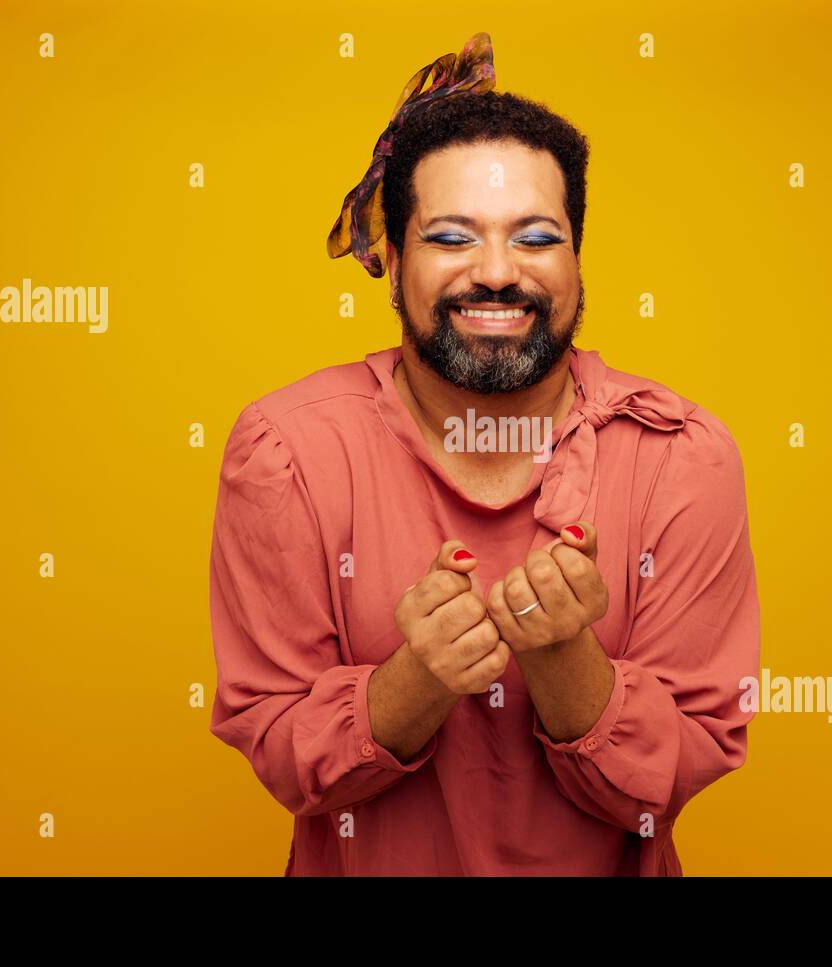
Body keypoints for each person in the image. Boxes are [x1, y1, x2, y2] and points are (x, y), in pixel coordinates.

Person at [208, 31, 760, 875]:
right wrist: (416, 679)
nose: (498, 273)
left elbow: (666, 783)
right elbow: (285, 754)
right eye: (452, 238)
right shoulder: (287, 451)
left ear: (578, 260)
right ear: (390, 263)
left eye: (537, 238)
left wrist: (560, 654)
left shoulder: (683, 457)